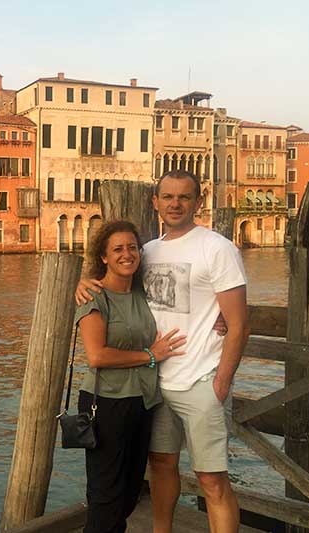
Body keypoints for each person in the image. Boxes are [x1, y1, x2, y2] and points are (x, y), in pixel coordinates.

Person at [76, 170, 250, 533]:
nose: (175, 204)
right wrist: (83, 281)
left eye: (184, 197)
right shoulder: (147, 252)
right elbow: (115, 280)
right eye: (167, 197)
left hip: (202, 380)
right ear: (155, 202)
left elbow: (240, 323)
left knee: (212, 479)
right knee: (160, 466)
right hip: (154, 385)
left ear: (198, 203)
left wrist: (221, 382)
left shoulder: (217, 248)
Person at [74, 219, 186, 533]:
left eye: (132, 247)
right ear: (104, 257)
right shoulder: (94, 297)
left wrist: (221, 320)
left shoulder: (141, 291)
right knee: (105, 496)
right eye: (118, 249)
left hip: (143, 402)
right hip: (106, 404)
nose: (127, 254)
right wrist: (151, 355)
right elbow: (97, 356)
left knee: (129, 493)